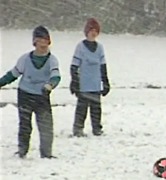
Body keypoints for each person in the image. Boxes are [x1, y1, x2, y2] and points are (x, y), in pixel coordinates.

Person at [0, 26, 61, 159]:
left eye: (45, 40)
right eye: (39, 40)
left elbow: (56, 76)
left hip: (42, 95)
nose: (42, 44)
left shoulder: (52, 60)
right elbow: (13, 74)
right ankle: (22, 150)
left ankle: (46, 153)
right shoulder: (25, 59)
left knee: (46, 126)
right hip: (25, 94)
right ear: (35, 42)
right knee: (25, 124)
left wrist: (50, 85)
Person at [70, 18, 110, 137]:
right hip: (84, 84)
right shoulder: (80, 47)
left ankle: (97, 128)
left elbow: (103, 65)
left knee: (96, 109)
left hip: (95, 83)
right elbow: (74, 65)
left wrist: (105, 82)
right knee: (82, 109)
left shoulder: (100, 47)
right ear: (87, 31)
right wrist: (74, 81)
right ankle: (78, 129)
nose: (93, 33)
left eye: (96, 30)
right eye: (91, 30)